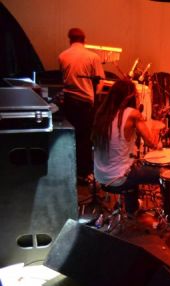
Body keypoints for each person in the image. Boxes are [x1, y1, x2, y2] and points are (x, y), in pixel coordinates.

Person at [91, 79, 162, 215]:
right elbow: (151, 143)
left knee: (131, 167)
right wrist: (154, 126)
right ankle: (168, 213)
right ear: (131, 97)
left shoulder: (102, 114)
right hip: (118, 178)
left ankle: (131, 209)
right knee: (165, 174)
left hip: (100, 176)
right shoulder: (132, 113)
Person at [58, 27, 105, 183]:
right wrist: (95, 96)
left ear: (69, 40)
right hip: (85, 103)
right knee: (85, 138)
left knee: (71, 137)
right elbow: (100, 82)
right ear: (84, 40)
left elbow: (63, 78)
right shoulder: (93, 57)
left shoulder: (62, 56)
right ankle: (84, 173)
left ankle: (69, 170)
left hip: (69, 102)